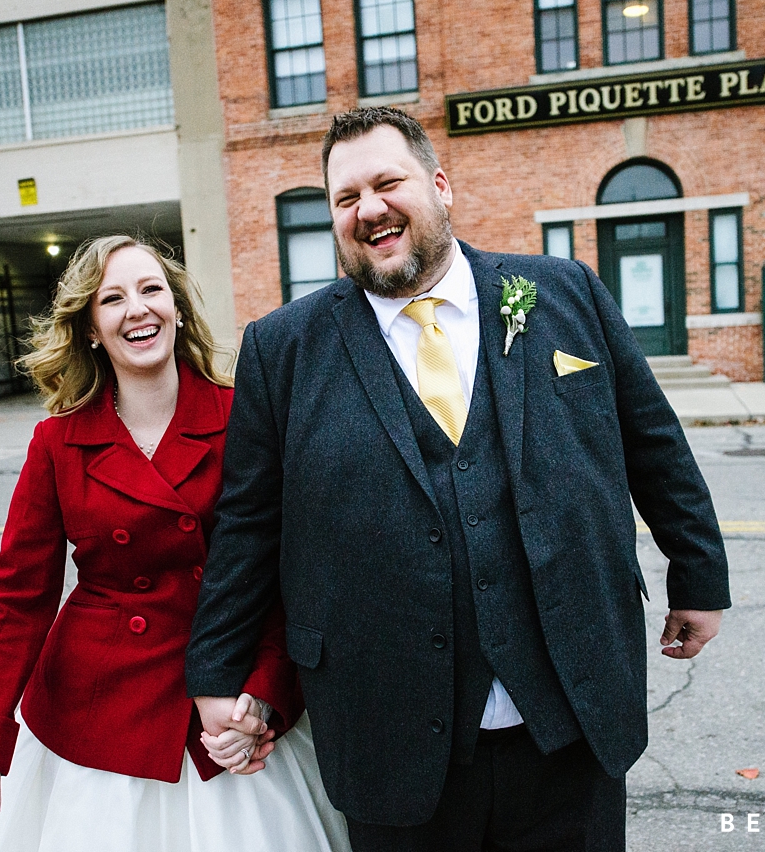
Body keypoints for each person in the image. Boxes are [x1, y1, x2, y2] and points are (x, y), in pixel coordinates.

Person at [186, 107, 730, 850]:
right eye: (346, 199)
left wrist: (698, 573)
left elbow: (652, 442)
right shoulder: (281, 349)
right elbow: (248, 523)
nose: (369, 209)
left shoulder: (564, 292)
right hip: (387, 728)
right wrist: (216, 671)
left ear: (440, 186)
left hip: (572, 710)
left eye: (387, 184)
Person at [0, 235, 349, 851]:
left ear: (178, 308)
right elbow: (14, 598)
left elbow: (288, 576)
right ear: (90, 329)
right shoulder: (57, 443)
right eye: (113, 298)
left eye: (151, 288)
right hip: (97, 716)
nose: (137, 308)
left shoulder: (246, 418)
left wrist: (263, 693)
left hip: (226, 708)